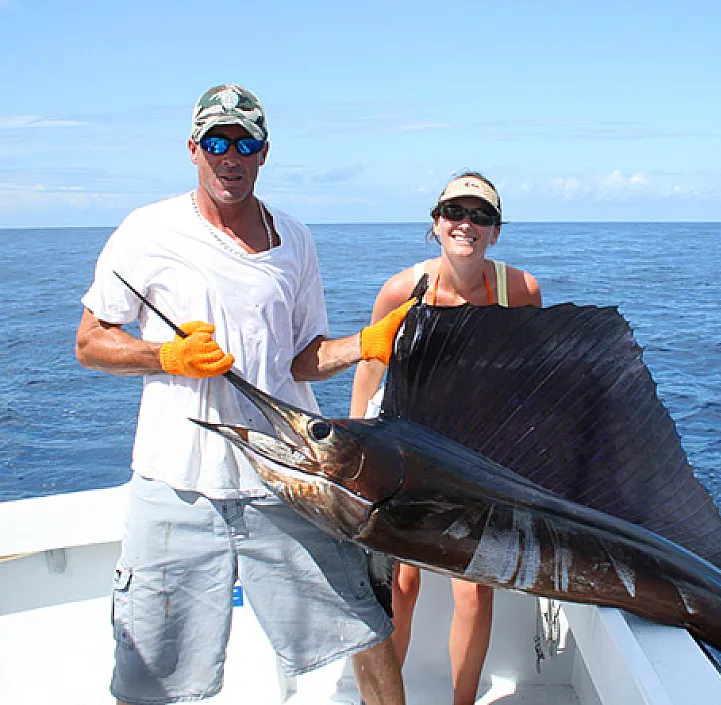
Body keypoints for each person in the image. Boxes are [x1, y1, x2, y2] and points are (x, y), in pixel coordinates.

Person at [75, 83, 409, 705]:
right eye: (217, 142)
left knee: (366, 628)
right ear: (194, 150)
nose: (231, 155)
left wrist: (364, 344)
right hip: (176, 483)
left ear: (264, 153)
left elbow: (301, 360)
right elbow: (91, 341)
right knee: (151, 675)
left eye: (245, 142)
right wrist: (164, 356)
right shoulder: (146, 230)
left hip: (284, 478)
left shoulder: (296, 241)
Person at [350, 172, 542, 705]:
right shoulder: (400, 290)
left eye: (481, 216)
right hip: (409, 451)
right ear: (435, 224)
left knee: (475, 593)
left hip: (479, 458)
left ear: (496, 232)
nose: (467, 224)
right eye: (456, 212)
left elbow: (535, 380)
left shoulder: (521, 292)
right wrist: (358, 456)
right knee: (403, 588)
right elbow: (369, 372)